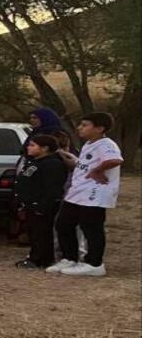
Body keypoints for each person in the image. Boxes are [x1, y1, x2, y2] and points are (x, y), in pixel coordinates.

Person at [49, 112, 124, 277]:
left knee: (91, 227)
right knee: (63, 223)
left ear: (99, 128)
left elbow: (115, 160)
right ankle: (70, 258)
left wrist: (98, 171)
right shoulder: (89, 144)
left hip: (94, 192)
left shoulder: (106, 144)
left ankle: (94, 264)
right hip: (78, 191)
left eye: (85, 125)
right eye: (80, 124)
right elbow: (84, 165)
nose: (79, 128)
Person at [13, 135, 68, 269]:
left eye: (33, 145)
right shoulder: (35, 162)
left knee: (42, 232)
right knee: (34, 231)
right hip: (30, 204)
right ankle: (35, 256)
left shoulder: (52, 164)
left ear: (45, 148)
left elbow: (52, 188)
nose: (28, 147)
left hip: (42, 205)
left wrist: (42, 205)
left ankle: (40, 259)